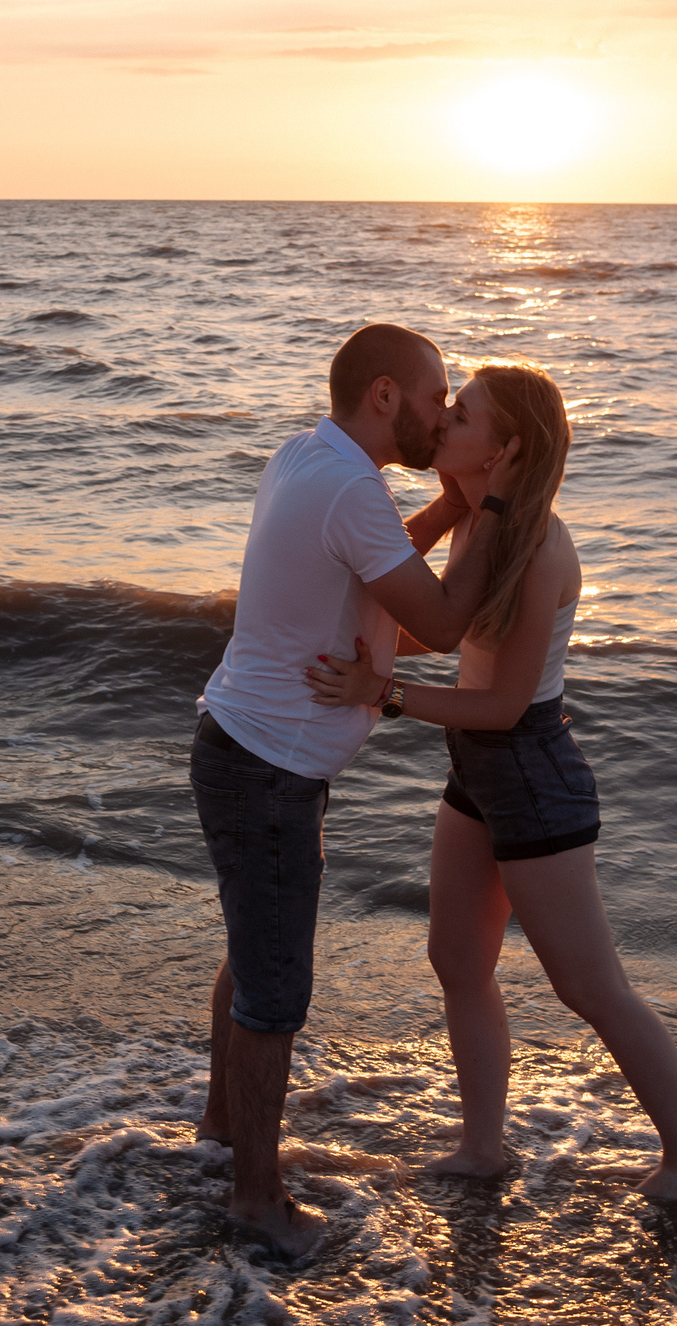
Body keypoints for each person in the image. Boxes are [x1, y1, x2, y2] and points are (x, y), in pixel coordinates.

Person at [305, 362, 677, 1202]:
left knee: (588, 985)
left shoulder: (537, 550)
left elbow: (498, 702)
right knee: (457, 957)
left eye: (462, 417)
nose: (443, 422)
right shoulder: (484, 527)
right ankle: (483, 1147)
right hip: (478, 769)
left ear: (505, 449)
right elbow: (436, 623)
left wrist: (379, 692)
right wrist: (381, 643)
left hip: (529, 768)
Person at [191, 323, 521, 1258]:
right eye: (433, 398)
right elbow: (444, 616)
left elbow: (385, 566)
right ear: (384, 396)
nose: (441, 415)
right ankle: (256, 1199)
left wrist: (451, 512)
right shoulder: (351, 489)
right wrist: (489, 502)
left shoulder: (310, 457)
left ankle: (223, 1123)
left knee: (252, 952)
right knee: (274, 993)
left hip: (238, 745)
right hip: (268, 769)